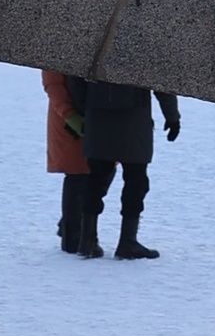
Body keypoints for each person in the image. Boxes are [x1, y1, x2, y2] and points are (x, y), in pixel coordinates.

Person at [61, 75, 181, 260]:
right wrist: (172, 117)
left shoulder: (92, 45)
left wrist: (85, 108)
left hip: (98, 118)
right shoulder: (147, 47)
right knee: (136, 182)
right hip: (134, 122)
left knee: (95, 180)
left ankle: (87, 241)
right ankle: (127, 242)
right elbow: (162, 81)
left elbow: (77, 78)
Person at [42, 68, 90, 253]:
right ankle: (73, 237)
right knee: (77, 172)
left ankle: (70, 221)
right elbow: (53, 84)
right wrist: (69, 115)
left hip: (98, 111)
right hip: (68, 118)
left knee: (104, 168)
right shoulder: (56, 44)